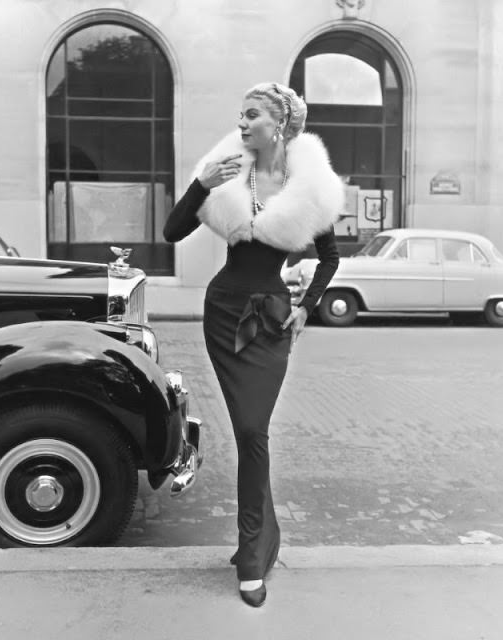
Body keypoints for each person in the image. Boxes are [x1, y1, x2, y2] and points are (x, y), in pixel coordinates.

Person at [163, 82, 344, 607]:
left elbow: (331, 257)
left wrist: (308, 305)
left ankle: (254, 547)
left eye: (252, 115)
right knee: (250, 433)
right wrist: (200, 183)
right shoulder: (226, 173)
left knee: (252, 430)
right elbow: (173, 231)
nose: (241, 125)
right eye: (239, 115)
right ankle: (254, 548)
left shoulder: (311, 187)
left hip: (270, 320)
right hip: (222, 314)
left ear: (280, 124)